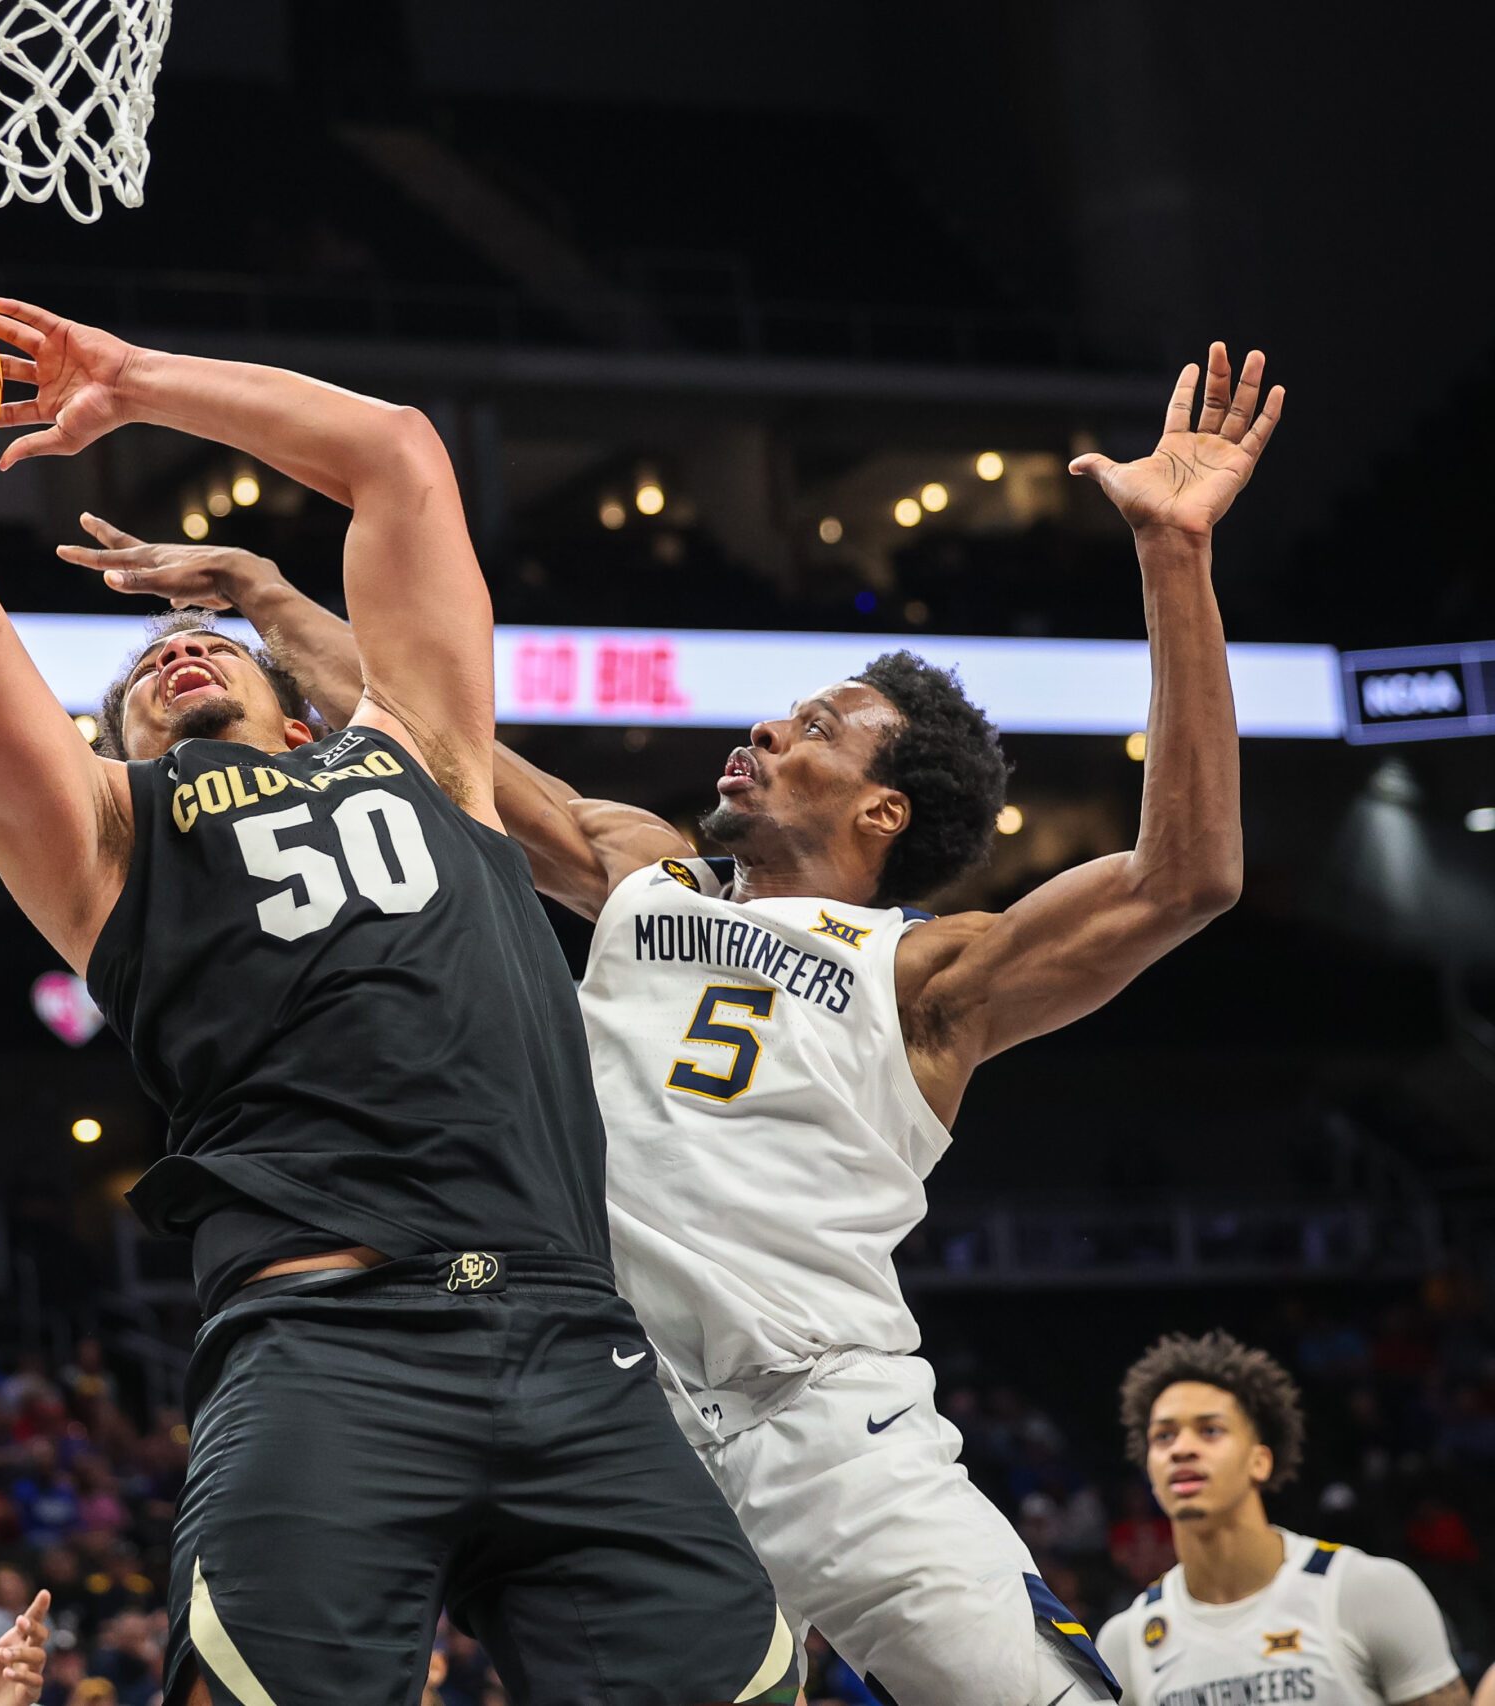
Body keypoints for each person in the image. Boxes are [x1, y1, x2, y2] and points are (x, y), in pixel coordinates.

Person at [65, 343, 1286, 1704]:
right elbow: (436, 737)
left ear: (883, 812)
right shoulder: (638, 870)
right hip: (605, 1411)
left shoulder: (927, 975)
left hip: (831, 1428)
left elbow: (1184, 878)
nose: (769, 727)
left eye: (819, 727)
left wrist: (1176, 558)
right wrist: (279, 603)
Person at [0, 298, 790, 1706]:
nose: (171, 654)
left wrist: (137, 380)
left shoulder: (435, 759)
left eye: (209, 643)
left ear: (303, 708)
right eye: (136, 683)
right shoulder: (106, 831)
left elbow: (397, 456)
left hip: (573, 1336)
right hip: (330, 1350)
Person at [1094, 1333, 1465, 1706]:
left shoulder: (1367, 1591)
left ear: (1260, 1461)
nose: (1181, 1449)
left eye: (1210, 1430)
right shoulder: (1125, 1642)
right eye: (1164, 1436)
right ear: (1150, 1469)